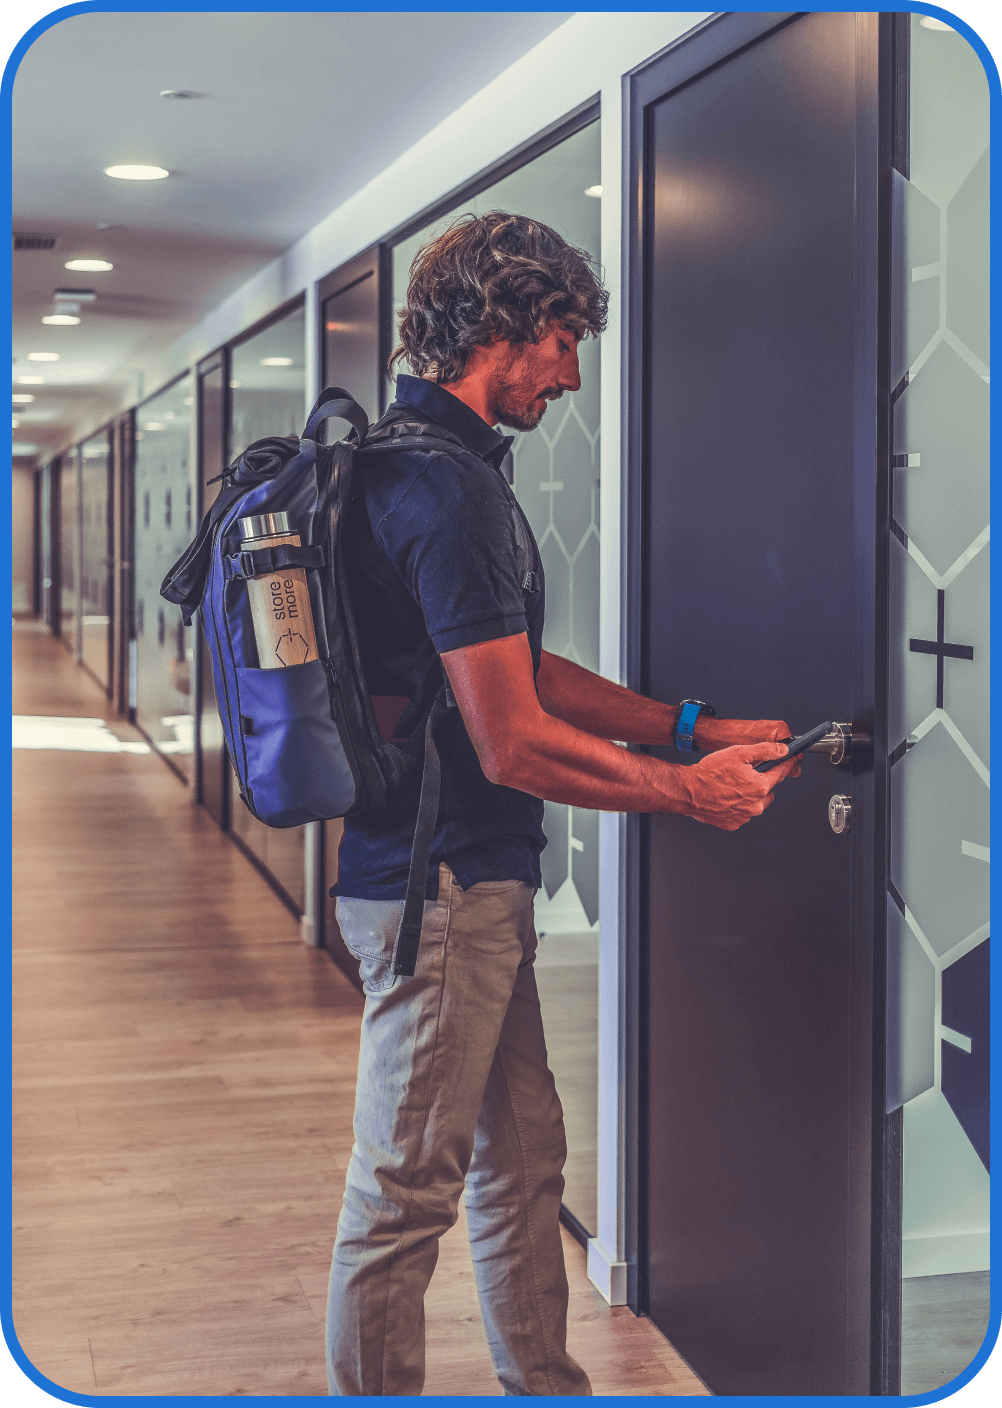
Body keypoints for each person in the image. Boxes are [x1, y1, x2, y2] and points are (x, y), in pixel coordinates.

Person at [325, 211, 800, 1396]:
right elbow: (514, 739)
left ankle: (545, 1384)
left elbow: (515, 667)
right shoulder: (450, 496)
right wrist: (688, 793)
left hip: (462, 888)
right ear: (499, 325)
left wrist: (688, 726)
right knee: (402, 1197)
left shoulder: (424, 469)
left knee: (523, 1157)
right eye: (563, 337)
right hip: (441, 895)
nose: (574, 372)